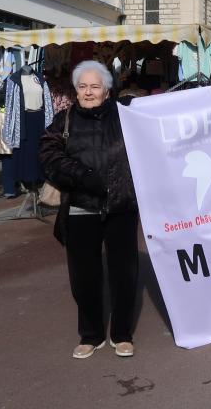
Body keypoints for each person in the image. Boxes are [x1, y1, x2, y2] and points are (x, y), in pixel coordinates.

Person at [39, 60, 139, 359]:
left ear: (107, 91)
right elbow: (48, 154)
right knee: (84, 275)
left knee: (124, 273)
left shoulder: (126, 115)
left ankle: (121, 333)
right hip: (81, 205)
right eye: (82, 86)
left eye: (95, 86)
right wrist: (83, 177)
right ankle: (91, 334)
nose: (88, 92)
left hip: (121, 204)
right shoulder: (64, 119)